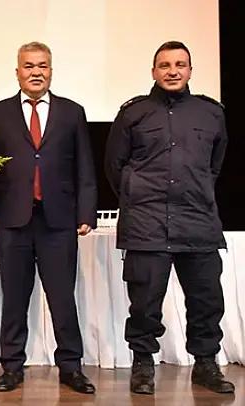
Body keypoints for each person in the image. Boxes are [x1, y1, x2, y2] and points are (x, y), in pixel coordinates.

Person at [104, 41, 234, 395]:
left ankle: (206, 365)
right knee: (144, 305)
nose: (172, 71)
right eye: (165, 65)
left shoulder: (211, 113)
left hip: (198, 222)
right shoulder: (133, 113)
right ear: (153, 71)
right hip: (146, 224)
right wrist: (137, 195)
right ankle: (143, 365)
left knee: (207, 301)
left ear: (190, 70)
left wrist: (194, 191)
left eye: (180, 65)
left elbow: (214, 166)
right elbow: (115, 166)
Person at [0, 41, 98, 394]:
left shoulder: (71, 112)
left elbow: (85, 167)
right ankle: (12, 367)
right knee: (14, 299)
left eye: (42, 66)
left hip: (58, 221)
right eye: (29, 66)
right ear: (17, 72)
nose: (36, 72)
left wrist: (86, 212)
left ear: (51, 71)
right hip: (11, 221)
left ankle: (71, 368)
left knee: (62, 298)